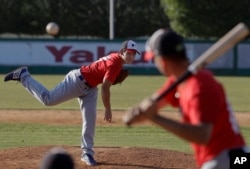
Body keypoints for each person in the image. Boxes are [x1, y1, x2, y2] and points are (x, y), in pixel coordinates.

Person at [4, 40, 140, 166]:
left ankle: (87, 153)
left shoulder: (116, 60)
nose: (131, 57)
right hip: (76, 81)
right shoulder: (116, 63)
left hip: (91, 88)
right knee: (48, 99)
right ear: (122, 52)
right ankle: (24, 76)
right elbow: (105, 88)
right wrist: (108, 109)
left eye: (133, 55)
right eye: (128, 53)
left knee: (90, 120)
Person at [126, 29, 247, 169]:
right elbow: (153, 104)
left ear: (163, 61)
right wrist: (136, 113)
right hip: (227, 157)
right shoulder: (178, 82)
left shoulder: (199, 86)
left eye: (154, 59)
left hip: (228, 159)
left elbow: (202, 135)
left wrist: (155, 118)